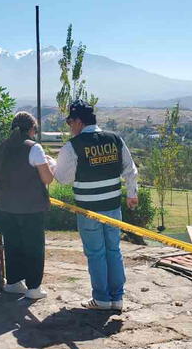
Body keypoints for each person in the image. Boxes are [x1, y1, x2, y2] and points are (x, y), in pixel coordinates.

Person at [54, 100, 139, 311]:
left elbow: (63, 178)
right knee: (114, 250)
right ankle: (117, 298)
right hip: (112, 207)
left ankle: (101, 298)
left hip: (88, 210)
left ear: (79, 122)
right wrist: (131, 194)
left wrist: (52, 164)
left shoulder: (72, 146)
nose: (69, 127)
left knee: (96, 253)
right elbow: (130, 169)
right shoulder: (115, 139)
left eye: (69, 122)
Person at [0, 112, 55, 300]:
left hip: (5, 206)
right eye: (35, 130)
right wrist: (51, 165)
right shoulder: (33, 148)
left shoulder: (1, 147)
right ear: (31, 129)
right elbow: (47, 178)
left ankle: (13, 282)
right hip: (30, 207)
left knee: (13, 244)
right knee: (34, 247)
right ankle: (34, 287)